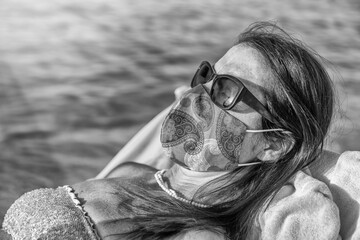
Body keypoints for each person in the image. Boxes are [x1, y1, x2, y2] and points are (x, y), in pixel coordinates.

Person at [1, 21, 354, 240]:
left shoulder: (197, 234)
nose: (193, 94)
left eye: (227, 90)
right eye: (208, 76)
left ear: (273, 144)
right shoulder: (132, 172)